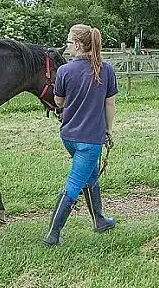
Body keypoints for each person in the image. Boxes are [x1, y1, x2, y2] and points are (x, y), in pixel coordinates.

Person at [44, 23, 118, 246]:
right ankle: (52, 235)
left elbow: (58, 101)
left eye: (68, 42)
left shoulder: (65, 71)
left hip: (69, 136)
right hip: (90, 140)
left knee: (91, 175)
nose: (67, 47)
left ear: (77, 44)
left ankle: (99, 220)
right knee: (75, 183)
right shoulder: (106, 70)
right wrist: (108, 130)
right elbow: (110, 104)